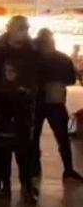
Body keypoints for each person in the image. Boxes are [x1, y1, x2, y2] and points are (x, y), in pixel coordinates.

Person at [0, 59, 38, 203]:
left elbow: (29, 109)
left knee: (23, 160)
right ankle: (6, 186)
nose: (10, 74)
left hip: (19, 129)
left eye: (13, 71)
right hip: (3, 128)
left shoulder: (24, 89)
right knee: (4, 160)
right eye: (7, 71)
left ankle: (27, 187)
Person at [34, 29, 82, 182]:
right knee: (62, 138)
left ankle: (35, 168)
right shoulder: (62, 58)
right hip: (55, 101)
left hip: (37, 101)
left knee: (34, 137)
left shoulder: (32, 58)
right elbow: (71, 79)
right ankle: (68, 169)